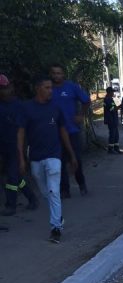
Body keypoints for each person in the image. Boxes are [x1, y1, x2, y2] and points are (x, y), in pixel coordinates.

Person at [17, 76, 78, 243]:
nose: (51, 91)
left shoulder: (55, 108)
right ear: (38, 89)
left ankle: (55, 228)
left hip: (54, 155)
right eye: (47, 87)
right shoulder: (27, 108)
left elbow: (63, 131)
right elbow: (21, 133)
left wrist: (71, 154)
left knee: (53, 190)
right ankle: (58, 216)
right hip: (35, 157)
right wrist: (21, 157)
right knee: (46, 192)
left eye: (51, 87)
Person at [49, 63, 90, 198]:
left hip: (72, 130)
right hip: (54, 132)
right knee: (59, 162)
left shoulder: (71, 87)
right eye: (54, 73)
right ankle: (65, 190)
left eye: (58, 73)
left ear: (63, 74)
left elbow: (86, 100)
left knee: (75, 159)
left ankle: (81, 183)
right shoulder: (48, 89)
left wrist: (81, 115)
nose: (56, 76)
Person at [0, 74, 38, 216]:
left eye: (4, 88)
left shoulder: (18, 106)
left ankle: (11, 205)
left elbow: (25, 129)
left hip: (16, 147)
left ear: (10, 88)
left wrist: (23, 151)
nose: (3, 91)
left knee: (11, 177)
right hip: (3, 147)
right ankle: (32, 198)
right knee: (14, 176)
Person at [103, 87, 121, 154]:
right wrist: (120, 106)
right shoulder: (107, 100)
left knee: (116, 135)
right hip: (111, 120)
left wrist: (118, 107)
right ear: (109, 92)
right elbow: (112, 109)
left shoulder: (110, 99)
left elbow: (113, 108)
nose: (113, 93)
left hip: (113, 119)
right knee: (112, 134)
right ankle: (110, 149)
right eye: (112, 92)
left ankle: (116, 148)